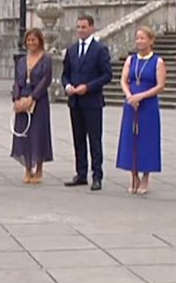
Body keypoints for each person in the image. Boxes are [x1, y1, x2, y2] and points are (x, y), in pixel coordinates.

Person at [62, 15, 113, 191]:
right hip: (75, 101)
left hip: (92, 101)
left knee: (95, 140)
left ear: (92, 28)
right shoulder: (72, 50)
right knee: (78, 139)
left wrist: (88, 87)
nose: (81, 30)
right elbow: (65, 73)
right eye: (78, 27)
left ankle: (97, 175)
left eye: (84, 27)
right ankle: (81, 173)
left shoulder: (100, 50)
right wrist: (67, 85)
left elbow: (107, 75)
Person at [116, 27, 166, 195]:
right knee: (131, 139)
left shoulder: (157, 62)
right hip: (131, 104)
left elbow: (160, 86)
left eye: (142, 38)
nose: (139, 41)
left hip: (148, 105)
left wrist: (141, 96)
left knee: (147, 140)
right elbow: (124, 80)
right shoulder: (131, 60)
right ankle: (133, 175)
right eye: (137, 38)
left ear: (151, 41)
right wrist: (130, 96)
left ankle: (145, 176)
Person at [11, 28, 53, 184]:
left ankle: (39, 168)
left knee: (38, 133)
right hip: (23, 97)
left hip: (38, 100)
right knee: (25, 133)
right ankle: (28, 168)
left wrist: (32, 97)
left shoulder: (46, 59)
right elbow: (17, 80)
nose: (31, 43)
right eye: (28, 40)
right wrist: (16, 98)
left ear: (39, 41)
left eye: (33, 40)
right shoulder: (22, 60)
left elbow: (46, 80)